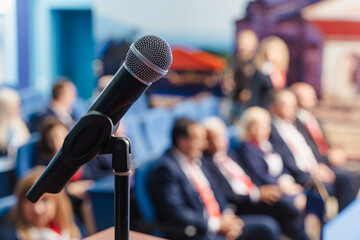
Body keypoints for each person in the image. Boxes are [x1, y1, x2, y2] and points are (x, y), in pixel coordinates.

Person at [149, 118, 281, 240]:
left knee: (268, 227)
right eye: (198, 140)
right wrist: (217, 226)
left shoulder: (195, 160)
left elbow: (215, 190)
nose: (204, 145)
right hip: (200, 231)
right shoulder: (166, 169)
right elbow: (176, 213)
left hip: (220, 221)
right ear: (182, 142)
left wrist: (227, 216)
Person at [202, 116, 305, 239]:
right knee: (285, 207)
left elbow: (250, 176)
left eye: (219, 137)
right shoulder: (206, 164)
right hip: (243, 204)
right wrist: (256, 194)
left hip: (255, 192)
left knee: (292, 212)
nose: (217, 142)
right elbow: (226, 194)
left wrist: (262, 189)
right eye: (211, 139)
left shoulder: (230, 155)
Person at [269, 89, 358, 211]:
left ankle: (343, 222)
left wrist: (320, 165)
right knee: (325, 190)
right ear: (274, 107)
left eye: (293, 106)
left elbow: (310, 148)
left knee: (349, 178)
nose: (292, 109)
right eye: (287, 106)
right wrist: (311, 174)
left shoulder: (297, 124)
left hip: (316, 168)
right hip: (302, 176)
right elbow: (284, 158)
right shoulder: (272, 130)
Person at [0, 166, 81, 240]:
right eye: (29, 200)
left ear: (58, 202)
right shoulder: (9, 235)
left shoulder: (69, 221)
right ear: (20, 204)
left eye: (45, 200)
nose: (38, 209)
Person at [290, 82, 348, 167]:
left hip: (328, 161)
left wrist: (335, 151)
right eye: (309, 95)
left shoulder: (313, 119)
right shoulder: (294, 122)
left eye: (313, 94)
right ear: (296, 98)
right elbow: (305, 147)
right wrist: (327, 158)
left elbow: (324, 142)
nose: (314, 97)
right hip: (315, 164)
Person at [222, 29, 259, 124]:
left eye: (245, 43)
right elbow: (228, 78)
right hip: (233, 101)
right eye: (240, 42)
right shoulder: (234, 60)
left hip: (249, 105)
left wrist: (250, 92)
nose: (242, 46)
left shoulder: (257, 63)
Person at [0, 87, 31, 196]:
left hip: (19, 171)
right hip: (4, 176)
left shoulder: (19, 123)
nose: (19, 107)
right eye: (16, 104)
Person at [250, 36, 289, 108]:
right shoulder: (260, 73)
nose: (269, 52)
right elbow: (255, 96)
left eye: (273, 50)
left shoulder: (281, 73)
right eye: (267, 50)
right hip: (263, 109)